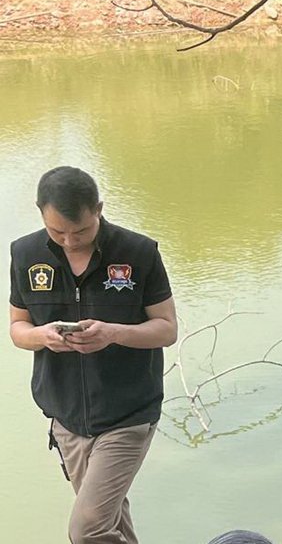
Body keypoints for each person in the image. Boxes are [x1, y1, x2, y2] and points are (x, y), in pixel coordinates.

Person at [8, 166, 178, 544]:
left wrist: (113, 333)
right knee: (111, 524)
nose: (70, 241)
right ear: (40, 213)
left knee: (88, 529)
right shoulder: (24, 254)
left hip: (127, 413)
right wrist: (42, 336)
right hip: (66, 416)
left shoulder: (138, 252)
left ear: (98, 209)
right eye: (57, 232)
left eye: (81, 231)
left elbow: (167, 329)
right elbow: (18, 328)